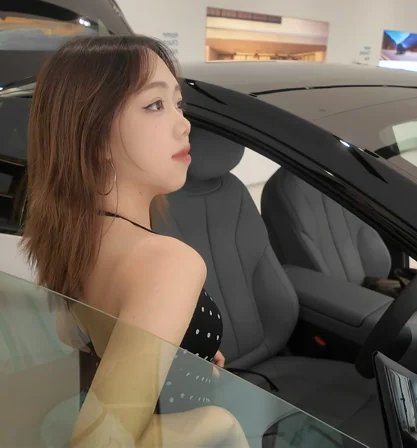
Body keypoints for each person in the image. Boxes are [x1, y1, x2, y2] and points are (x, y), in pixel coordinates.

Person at [21, 35, 249, 446]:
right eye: (154, 105)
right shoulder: (165, 262)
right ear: (94, 134)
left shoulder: (75, 239)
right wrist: (219, 422)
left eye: (178, 103)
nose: (184, 124)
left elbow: (76, 336)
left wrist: (185, 356)